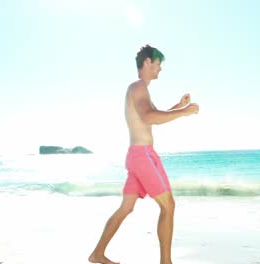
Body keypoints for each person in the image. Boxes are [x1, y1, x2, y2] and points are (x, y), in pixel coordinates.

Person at [89, 44, 199, 264]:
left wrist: (179, 106)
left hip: (141, 155)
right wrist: (184, 112)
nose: (160, 69)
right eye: (158, 64)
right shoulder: (138, 87)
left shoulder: (142, 90)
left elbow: (155, 116)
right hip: (142, 157)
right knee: (168, 205)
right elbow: (150, 117)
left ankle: (97, 254)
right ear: (147, 62)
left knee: (126, 207)